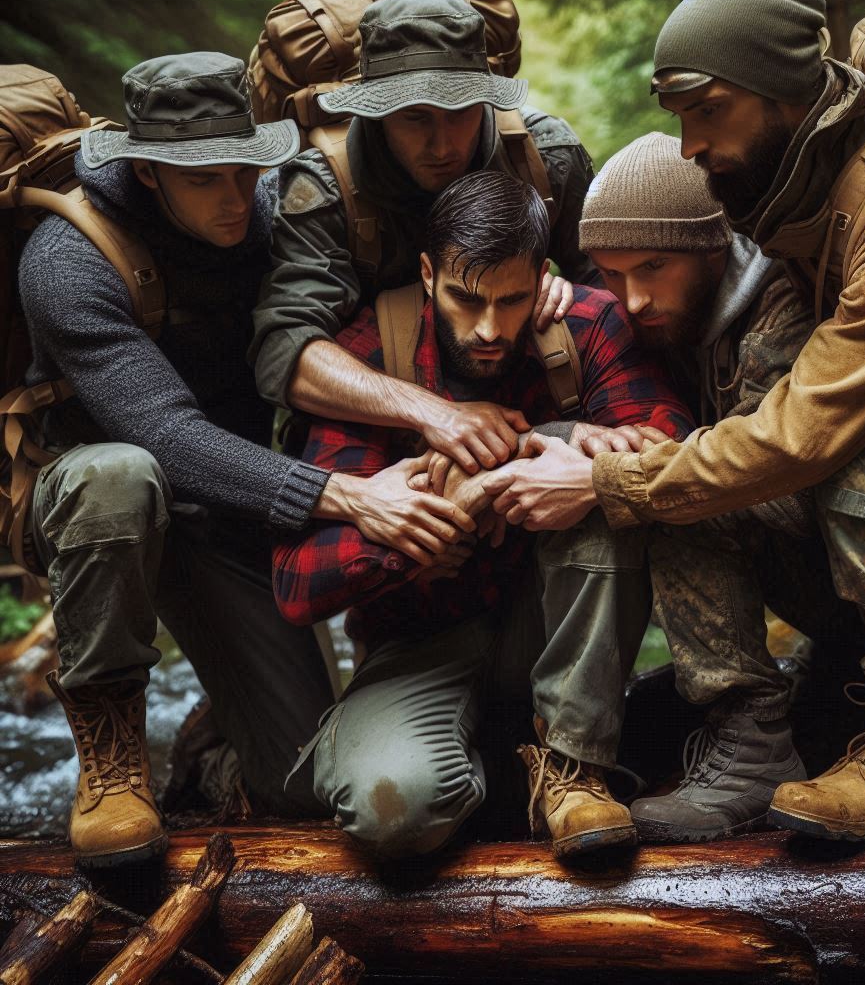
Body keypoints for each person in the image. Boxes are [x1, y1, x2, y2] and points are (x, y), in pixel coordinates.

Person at [485, 0, 865, 841]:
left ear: (781, 93)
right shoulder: (818, 193)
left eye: (707, 111)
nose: (689, 146)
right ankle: (755, 749)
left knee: (856, 473)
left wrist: (614, 483)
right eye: (678, 116)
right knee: (693, 487)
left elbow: (801, 439)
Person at [15, 52, 456, 867]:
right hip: (96, 507)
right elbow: (164, 432)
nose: (235, 198)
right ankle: (112, 760)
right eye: (204, 180)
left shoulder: (270, 206)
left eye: (244, 169)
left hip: (240, 498)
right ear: (148, 174)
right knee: (120, 473)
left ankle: (209, 754)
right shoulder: (67, 260)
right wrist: (352, 496)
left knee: (302, 785)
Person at [272, 169, 692, 860]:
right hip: (417, 642)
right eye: (467, 300)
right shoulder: (371, 349)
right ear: (430, 273)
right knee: (394, 816)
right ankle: (505, 771)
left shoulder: (584, 326)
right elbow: (294, 582)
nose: (491, 328)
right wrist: (425, 527)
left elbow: (670, 448)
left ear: (543, 275)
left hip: (551, 629)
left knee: (583, 461)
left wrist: (533, 457)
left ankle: (572, 765)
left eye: (514, 299)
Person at [250, 0, 599, 510]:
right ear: (374, 111)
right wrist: (433, 412)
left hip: (530, 415)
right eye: (415, 118)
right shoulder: (325, 187)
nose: (443, 145)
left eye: (460, 112)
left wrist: (575, 293)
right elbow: (286, 351)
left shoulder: (545, 158)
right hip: (375, 442)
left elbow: (621, 295)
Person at [571, 130, 823, 841]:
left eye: (653, 266)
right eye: (611, 274)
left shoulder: (784, 305)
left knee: (675, 490)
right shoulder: (639, 310)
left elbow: (780, 480)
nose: (634, 298)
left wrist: (631, 473)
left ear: (714, 247)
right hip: (831, 579)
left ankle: (752, 745)